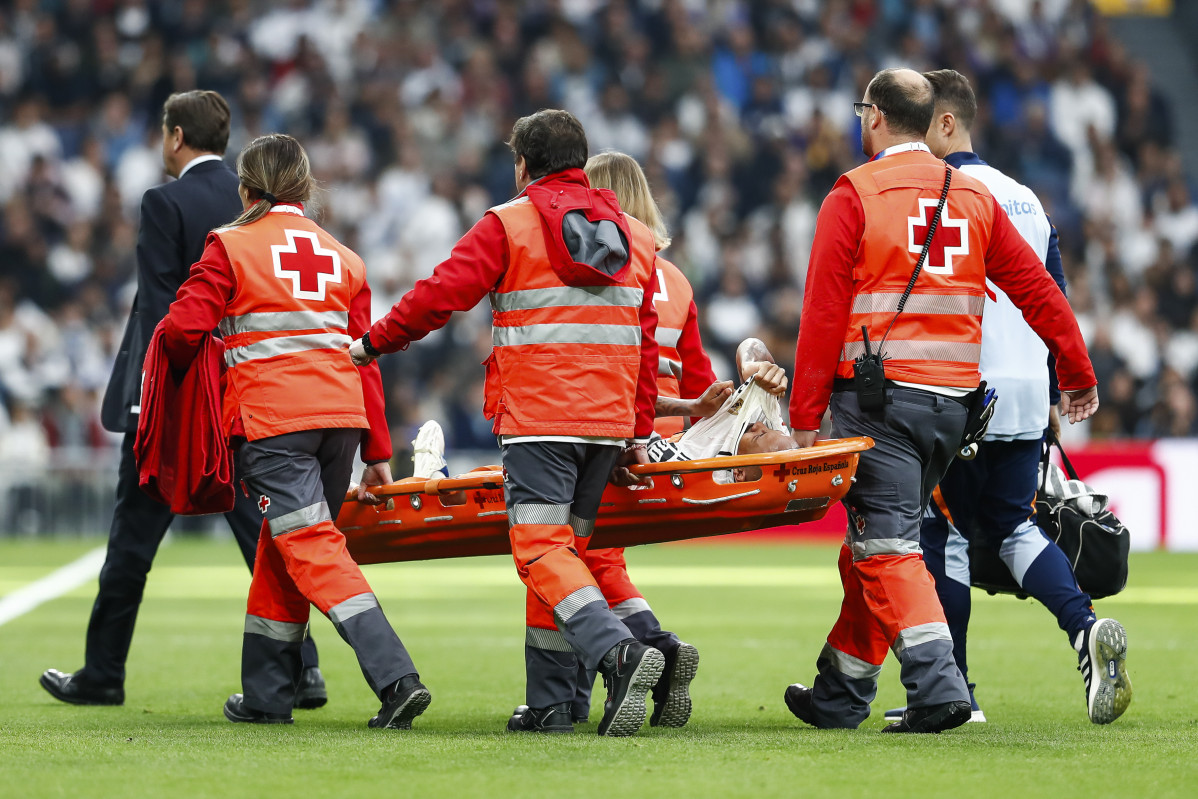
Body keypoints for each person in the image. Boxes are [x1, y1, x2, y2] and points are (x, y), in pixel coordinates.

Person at [783, 68, 1100, 734]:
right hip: (953, 409)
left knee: (886, 544)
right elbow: (1039, 291)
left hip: (878, 404)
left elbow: (821, 315)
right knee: (875, 538)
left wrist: (804, 419)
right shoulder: (971, 195)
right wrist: (1075, 367)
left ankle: (938, 684)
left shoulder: (854, 193)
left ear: (874, 117)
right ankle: (841, 690)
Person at [350, 110, 667, 737]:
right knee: (567, 556)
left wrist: (372, 345)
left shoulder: (510, 224)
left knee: (540, 551)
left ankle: (618, 653)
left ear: (523, 163)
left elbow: (441, 294)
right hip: (605, 423)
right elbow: (646, 343)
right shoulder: (634, 236)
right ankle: (555, 702)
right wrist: (636, 429)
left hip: (541, 418)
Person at [40, 91, 325, 710]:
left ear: (175, 136)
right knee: (264, 538)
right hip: (246, 398)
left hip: (178, 405)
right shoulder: (253, 201)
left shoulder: (163, 201)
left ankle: (103, 673)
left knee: (132, 543)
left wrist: (154, 404)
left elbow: (165, 309)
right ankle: (304, 669)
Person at [879, 69, 1129, 726]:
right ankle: (1084, 629)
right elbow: (1053, 296)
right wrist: (1056, 382)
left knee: (944, 533)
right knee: (1015, 526)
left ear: (947, 123)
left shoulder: (942, 194)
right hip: (1024, 391)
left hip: (961, 388)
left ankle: (952, 692)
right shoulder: (1027, 197)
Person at [160, 133, 430, 729]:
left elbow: (182, 330)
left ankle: (397, 677)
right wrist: (377, 450)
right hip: (340, 422)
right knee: (281, 553)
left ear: (244, 188)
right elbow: (366, 357)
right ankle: (266, 696)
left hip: (274, 422)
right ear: (305, 189)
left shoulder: (230, 246)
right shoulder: (345, 258)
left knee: (310, 548)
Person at [555, 150, 724, 730]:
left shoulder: (594, 269)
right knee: (600, 556)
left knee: (571, 554)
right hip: (669, 443)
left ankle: (631, 659)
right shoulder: (675, 279)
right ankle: (653, 654)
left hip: (618, 434)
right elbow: (704, 387)